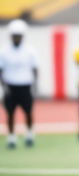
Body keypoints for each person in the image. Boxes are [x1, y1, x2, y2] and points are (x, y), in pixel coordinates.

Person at [0, 19, 38, 149]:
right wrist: (3, 86)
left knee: (28, 112)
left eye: (18, 35)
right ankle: (11, 137)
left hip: (25, 85)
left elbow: (35, 68)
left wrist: (35, 85)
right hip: (10, 86)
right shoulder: (4, 51)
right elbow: (1, 69)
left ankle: (29, 134)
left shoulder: (29, 50)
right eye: (14, 35)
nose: (16, 38)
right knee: (10, 113)